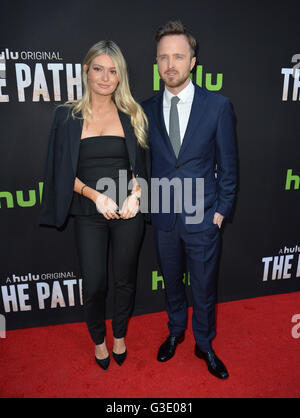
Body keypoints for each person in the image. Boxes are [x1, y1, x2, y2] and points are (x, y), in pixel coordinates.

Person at [40, 40, 149, 370]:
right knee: (95, 282)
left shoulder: (132, 114)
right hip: (89, 211)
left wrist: (135, 196)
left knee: (125, 279)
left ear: (121, 77)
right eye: (98, 69)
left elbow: (141, 169)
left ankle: (119, 335)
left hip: (128, 213)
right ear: (86, 71)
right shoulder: (66, 116)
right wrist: (95, 196)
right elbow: (60, 173)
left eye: (113, 71)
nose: (105, 77)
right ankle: (99, 340)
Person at [142, 21, 237, 379]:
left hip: (204, 216)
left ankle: (205, 343)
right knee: (171, 281)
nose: (170, 64)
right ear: (156, 62)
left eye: (178, 56)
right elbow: (142, 162)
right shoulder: (146, 108)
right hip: (164, 216)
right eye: (163, 57)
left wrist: (222, 210)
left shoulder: (218, 106)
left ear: (193, 61)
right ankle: (176, 331)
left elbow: (228, 164)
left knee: (204, 285)